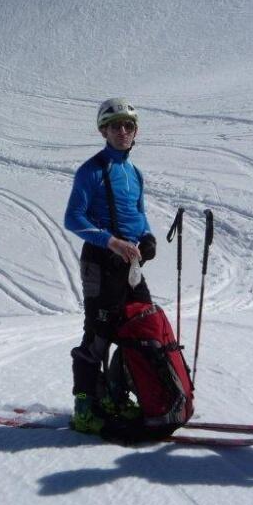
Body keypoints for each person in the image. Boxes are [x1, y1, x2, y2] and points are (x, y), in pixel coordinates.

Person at [63, 98, 157, 434]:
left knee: (141, 329)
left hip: (129, 265)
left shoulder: (134, 173)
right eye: (115, 126)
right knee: (98, 335)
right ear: (103, 131)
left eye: (128, 126)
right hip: (100, 262)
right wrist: (112, 242)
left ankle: (116, 396)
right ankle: (84, 407)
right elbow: (73, 218)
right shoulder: (91, 171)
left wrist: (147, 238)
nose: (122, 131)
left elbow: (139, 214)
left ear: (135, 131)